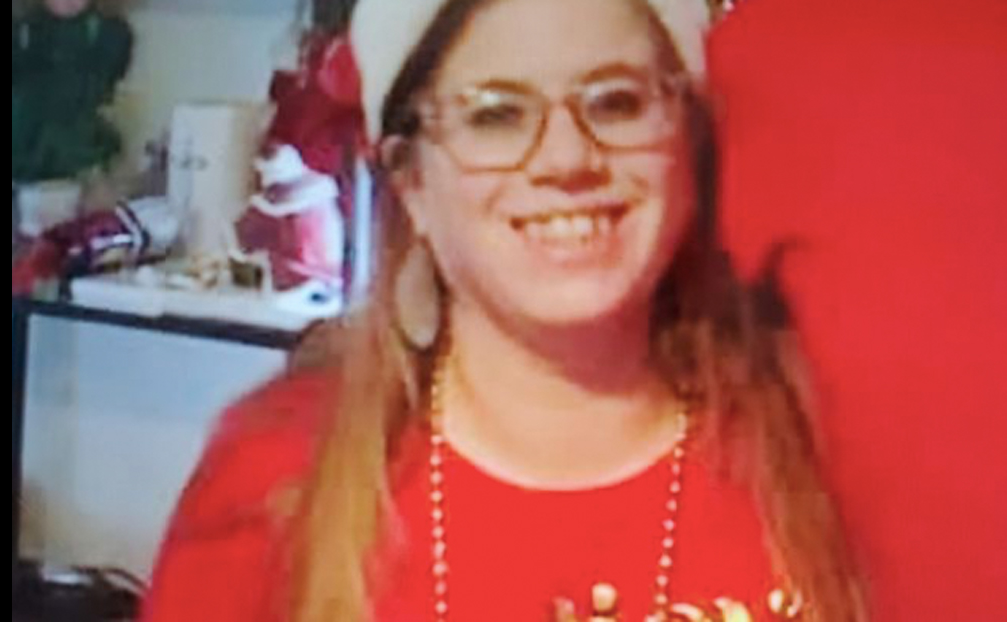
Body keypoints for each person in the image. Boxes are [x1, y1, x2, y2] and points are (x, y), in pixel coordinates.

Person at [139, 1, 866, 620]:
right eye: (496, 116)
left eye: (616, 101)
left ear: (686, 143)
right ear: (412, 185)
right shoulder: (270, 484)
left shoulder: (817, 445)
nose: (567, 159)